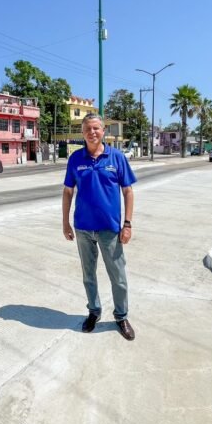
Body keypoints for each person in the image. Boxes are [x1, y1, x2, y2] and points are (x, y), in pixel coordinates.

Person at [62, 113, 137, 341]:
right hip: (83, 228)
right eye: (87, 129)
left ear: (104, 131)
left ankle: (121, 316)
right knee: (88, 275)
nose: (92, 132)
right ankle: (94, 312)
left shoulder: (116, 158)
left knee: (118, 277)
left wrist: (127, 225)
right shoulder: (75, 159)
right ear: (82, 133)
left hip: (110, 229)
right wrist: (65, 222)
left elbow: (128, 191)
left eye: (96, 128)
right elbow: (68, 192)